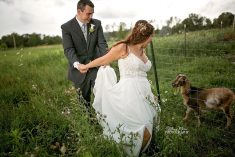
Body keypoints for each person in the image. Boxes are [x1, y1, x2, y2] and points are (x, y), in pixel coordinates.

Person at [79, 20, 161, 156]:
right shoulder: (124, 47)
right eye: (151, 36)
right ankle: (132, 151)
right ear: (144, 36)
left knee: (150, 123)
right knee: (141, 126)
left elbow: (142, 71)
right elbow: (104, 59)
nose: (151, 40)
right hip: (130, 93)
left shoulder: (142, 49)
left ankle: (147, 151)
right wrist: (86, 66)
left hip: (144, 92)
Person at [61, 0, 108, 107]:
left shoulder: (96, 24)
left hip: (96, 66)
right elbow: (68, 49)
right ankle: (88, 122)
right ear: (79, 11)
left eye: (92, 13)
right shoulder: (66, 27)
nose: (91, 16)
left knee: (102, 96)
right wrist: (77, 64)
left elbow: (102, 43)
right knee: (83, 101)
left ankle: (103, 120)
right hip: (79, 71)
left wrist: (105, 59)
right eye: (88, 13)